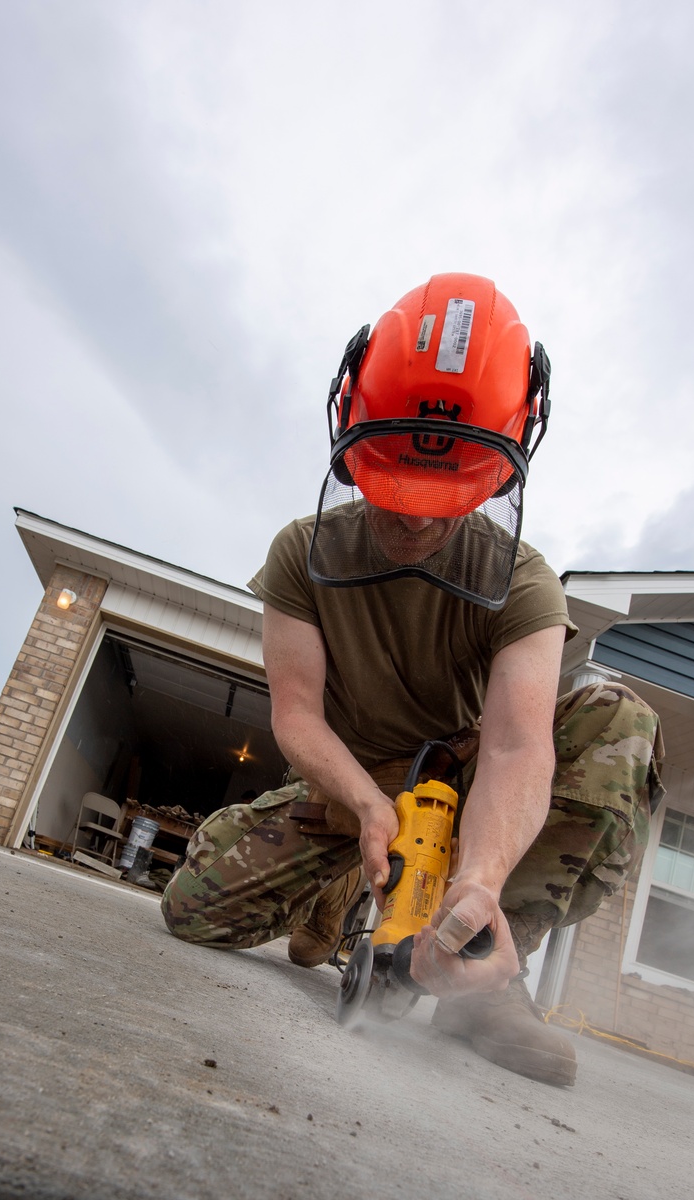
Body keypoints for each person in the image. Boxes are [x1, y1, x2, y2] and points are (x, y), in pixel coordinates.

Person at [162, 273, 663, 1087]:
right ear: (357, 439)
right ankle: (335, 896)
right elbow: (296, 715)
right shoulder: (303, 552)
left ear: (497, 470)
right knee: (193, 910)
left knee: (619, 720)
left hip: (463, 785)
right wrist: (365, 805)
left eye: (448, 492)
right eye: (399, 485)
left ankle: (482, 972)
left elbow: (515, 746)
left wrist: (478, 881)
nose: (418, 520)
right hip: (348, 782)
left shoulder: (524, 582)